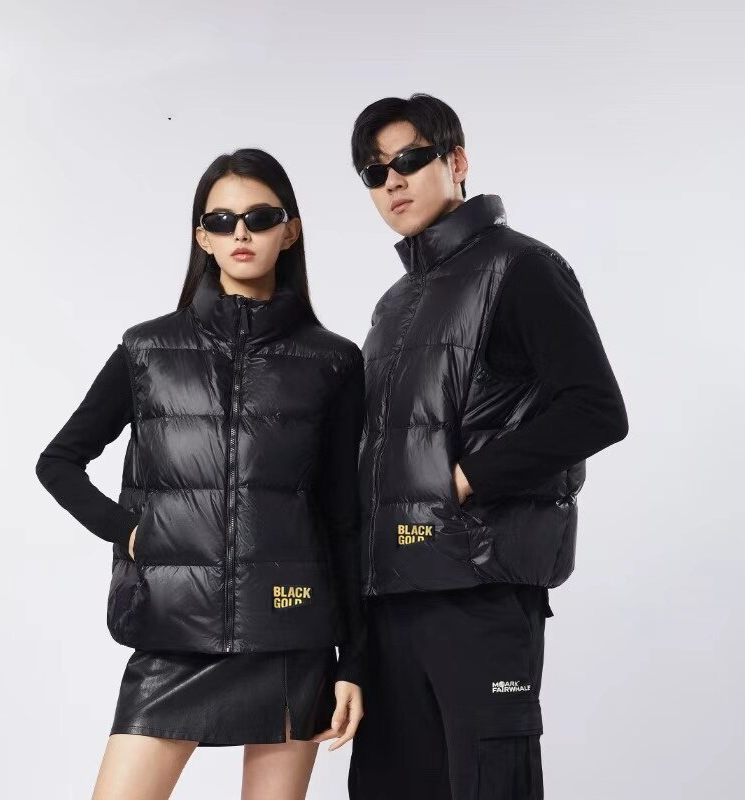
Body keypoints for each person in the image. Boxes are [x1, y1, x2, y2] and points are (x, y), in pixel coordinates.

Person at [35, 148, 365, 800]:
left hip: (289, 632)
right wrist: (130, 531)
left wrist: (355, 660)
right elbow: (59, 462)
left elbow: (344, 519)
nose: (241, 232)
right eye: (221, 220)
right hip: (174, 631)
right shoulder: (148, 350)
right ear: (202, 237)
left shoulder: (332, 361)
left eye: (260, 217)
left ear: (289, 231)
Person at [346, 93, 629, 799]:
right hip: (391, 600)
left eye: (410, 160)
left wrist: (466, 479)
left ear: (458, 161)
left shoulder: (521, 266)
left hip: (480, 592)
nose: (393, 181)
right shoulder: (394, 304)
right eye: (375, 172)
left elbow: (595, 409)